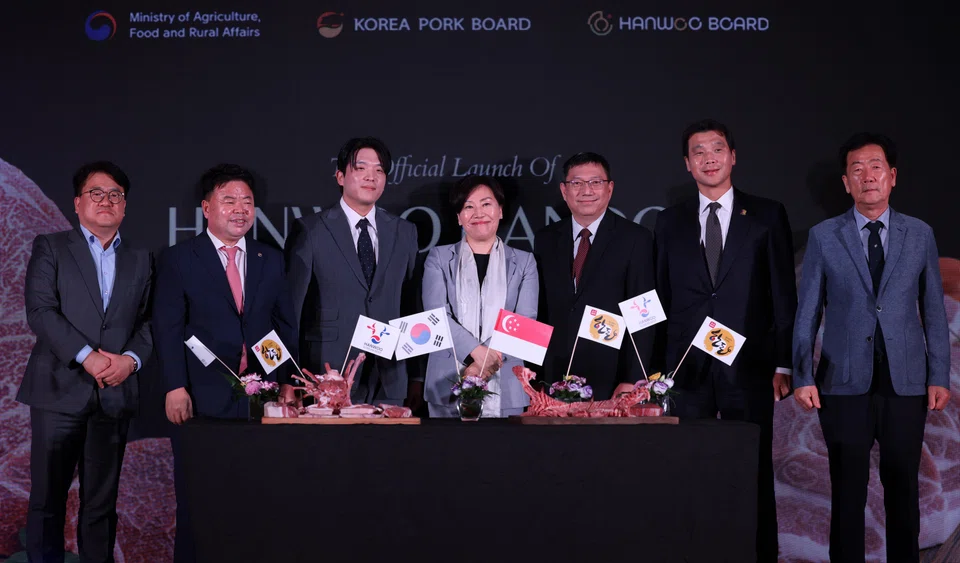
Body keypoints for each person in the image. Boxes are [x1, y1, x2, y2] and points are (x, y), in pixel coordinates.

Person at [793, 132, 950, 563]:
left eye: (875, 167)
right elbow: (807, 310)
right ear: (846, 182)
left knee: (903, 487)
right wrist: (803, 375)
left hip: (907, 382)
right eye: (857, 169)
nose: (867, 176)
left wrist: (939, 375)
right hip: (842, 382)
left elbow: (933, 309)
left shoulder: (919, 234)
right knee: (847, 489)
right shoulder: (825, 236)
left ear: (892, 176)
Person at [654, 119, 796, 562]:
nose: (709, 157)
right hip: (684, 368)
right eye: (699, 151)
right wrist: (657, 369)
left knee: (751, 468)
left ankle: (758, 554)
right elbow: (661, 295)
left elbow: (782, 294)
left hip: (749, 366)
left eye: (718, 149)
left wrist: (783, 363)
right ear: (687, 164)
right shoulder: (669, 221)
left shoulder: (767, 214)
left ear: (733, 156)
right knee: (688, 465)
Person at [153, 163, 298, 563]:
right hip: (200, 397)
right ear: (206, 206)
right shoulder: (179, 258)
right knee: (200, 497)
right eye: (228, 200)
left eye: (247, 201)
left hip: (261, 400)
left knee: (257, 494)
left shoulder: (270, 258)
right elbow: (168, 327)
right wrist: (174, 386)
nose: (240, 209)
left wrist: (287, 380)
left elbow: (282, 324)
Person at [19, 161, 153, 563]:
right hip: (59, 389)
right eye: (96, 193)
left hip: (114, 394)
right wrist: (87, 357)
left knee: (100, 505)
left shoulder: (141, 257)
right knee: (47, 501)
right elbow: (41, 311)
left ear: (125, 207)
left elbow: (149, 321)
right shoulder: (52, 246)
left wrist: (130, 360)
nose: (106, 201)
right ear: (77, 203)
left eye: (116, 195)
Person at [286, 137, 420, 407]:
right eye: (361, 168)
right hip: (327, 374)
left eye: (380, 170)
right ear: (340, 176)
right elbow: (292, 310)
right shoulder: (310, 230)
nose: (371, 176)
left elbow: (412, 305)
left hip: (389, 375)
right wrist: (289, 378)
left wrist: (417, 376)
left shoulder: (404, 232)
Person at [534, 152, 655, 400]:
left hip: (611, 377)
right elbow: (540, 310)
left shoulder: (635, 239)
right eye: (576, 183)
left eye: (595, 182)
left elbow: (643, 314)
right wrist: (535, 375)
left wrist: (632, 378)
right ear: (564, 190)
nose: (586, 190)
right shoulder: (546, 238)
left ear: (609, 189)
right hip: (554, 375)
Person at [422, 175, 539, 417]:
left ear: (500, 211)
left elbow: (525, 321)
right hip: (446, 383)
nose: (478, 213)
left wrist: (479, 366)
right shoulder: (438, 258)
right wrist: (476, 352)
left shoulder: (525, 261)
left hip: (507, 385)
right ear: (459, 217)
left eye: (486, 204)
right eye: (468, 206)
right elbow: (435, 316)